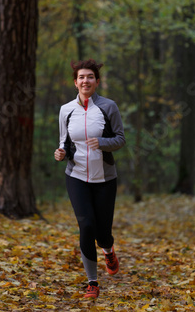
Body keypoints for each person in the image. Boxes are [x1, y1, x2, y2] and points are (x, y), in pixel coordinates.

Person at [54, 59, 125, 299]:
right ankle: (92, 282)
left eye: (90, 77)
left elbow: (120, 139)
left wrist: (103, 143)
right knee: (86, 225)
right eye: (81, 77)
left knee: (102, 232)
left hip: (105, 178)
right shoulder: (66, 110)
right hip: (76, 176)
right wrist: (60, 153)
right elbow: (63, 141)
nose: (86, 81)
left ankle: (109, 250)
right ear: (75, 82)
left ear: (97, 81)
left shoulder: (108, 107)